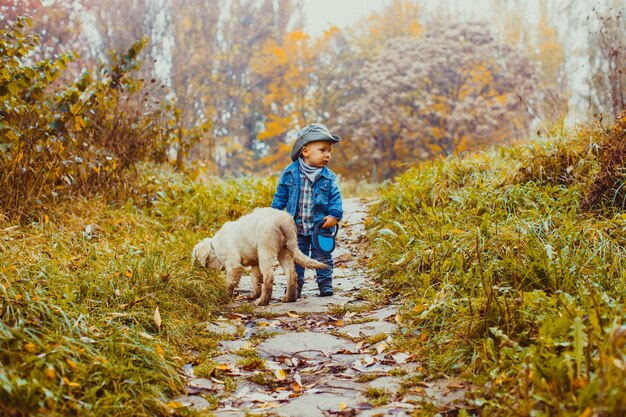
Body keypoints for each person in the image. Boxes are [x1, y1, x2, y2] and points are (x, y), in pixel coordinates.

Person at [271, 123, 343, 298]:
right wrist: (273, 216)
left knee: (323, 256)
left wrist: (334, 215)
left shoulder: (328, 176)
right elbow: (280, 197)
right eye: (322, 150)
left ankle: (325, 285)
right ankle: (295, 286)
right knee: (296, 259)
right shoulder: (289, 174)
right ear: (305, 151)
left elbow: (335, 197)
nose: (327, 155)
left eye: (329, 151)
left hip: (322, 227)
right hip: (296, 228)